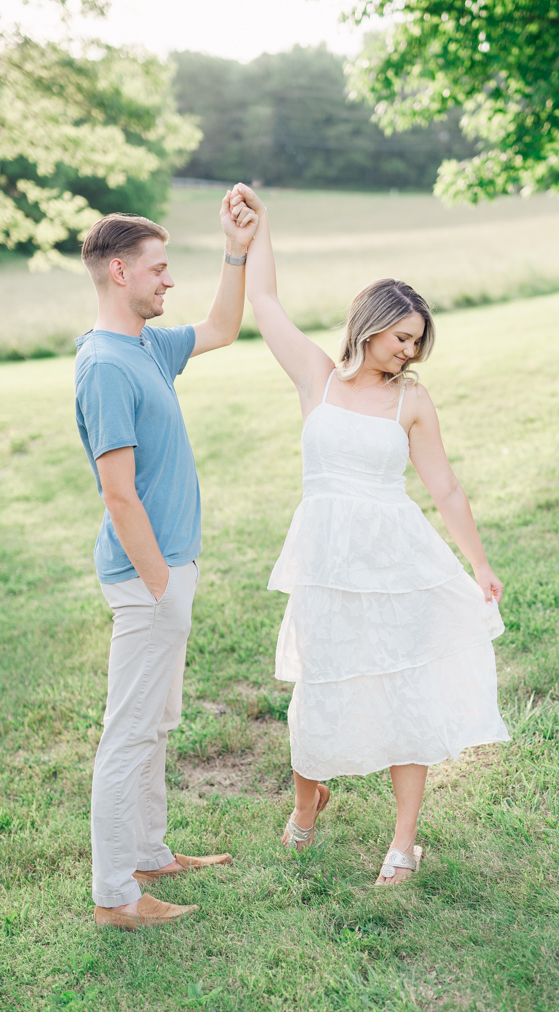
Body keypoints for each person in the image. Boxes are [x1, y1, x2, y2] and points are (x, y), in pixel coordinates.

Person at [231, 183, 510, 885]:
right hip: (326, 561)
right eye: (401, 337)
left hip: (396, 562)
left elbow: (443, 486)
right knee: (318, 685)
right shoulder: (317, 380)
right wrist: (258, 230)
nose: (409, 351)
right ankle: (305, 806)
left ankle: (403, 841)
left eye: (417, 342)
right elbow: (263, 303)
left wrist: (477, 564)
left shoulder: (411, 400)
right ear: (369, 325)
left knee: (402, 690)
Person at [75, 193, 258, 929]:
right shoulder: (105, 367)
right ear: (119, 272)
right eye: (157, 268)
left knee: (153, 725)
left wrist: (235, 247)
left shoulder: (148, 346)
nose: (167, 281)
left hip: (172, 567)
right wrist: (159, 585)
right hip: (146, 576)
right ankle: (116, 896)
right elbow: (118, 494)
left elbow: (222, 327)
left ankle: (149, 851)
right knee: (128, 732)